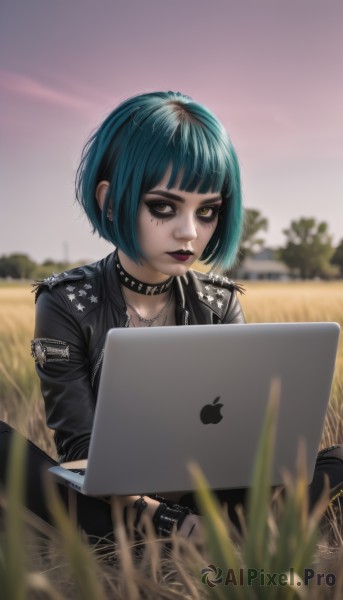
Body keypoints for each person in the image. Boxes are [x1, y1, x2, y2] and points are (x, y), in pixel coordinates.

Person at [0, 91, 342, 542]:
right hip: (118, 504)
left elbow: (238, 435)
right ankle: (209, 534)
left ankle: (211, 533)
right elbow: (80, 452)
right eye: (164, 206)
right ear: (109, 199)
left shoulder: (219, 302)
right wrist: (166, 518)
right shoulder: (65, 303)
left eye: (208, 211)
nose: (189, 231)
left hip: (210, 494)